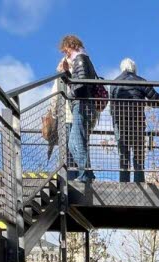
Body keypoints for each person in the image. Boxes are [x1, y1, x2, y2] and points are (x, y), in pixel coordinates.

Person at [109, 58, 159, 183]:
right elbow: (158, 101)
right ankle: (139, 181)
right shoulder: (141, 81)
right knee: (138, 153)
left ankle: (124, 183)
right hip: (137, 121)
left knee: (123, 154)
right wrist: (146, 102)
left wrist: (115, 121)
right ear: (134, 69)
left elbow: (111, 107)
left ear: (122, 68)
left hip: (120, 122)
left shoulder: (114, 83)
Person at [57, 34, 99, 183]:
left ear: (70, 46)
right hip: (83, 104)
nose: (65, 53)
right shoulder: (83, 58)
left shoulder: (80, 59)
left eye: (65, 50)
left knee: (74, 141)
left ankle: (85, 174)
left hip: (81, 104)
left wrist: (71, 89)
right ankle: (88, 173)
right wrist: (68, 72)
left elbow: (80, 84)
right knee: (77, 140)